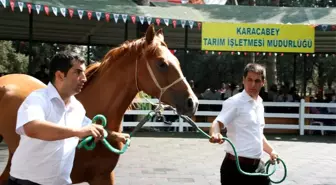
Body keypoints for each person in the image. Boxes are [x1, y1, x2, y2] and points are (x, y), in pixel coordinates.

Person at [8, 51, 130, 185]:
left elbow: (90, 128)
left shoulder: (77, 107)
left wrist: (115, 136)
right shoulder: (37, 99)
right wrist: (77, 132)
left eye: (83, 73)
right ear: (60, 75)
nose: (84, 78)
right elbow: (32, 128)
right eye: (77, 72)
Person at [209, 63, 278, 185]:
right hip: (235, 170)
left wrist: (271, 151)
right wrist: (215, 133)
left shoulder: (259, 104)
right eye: (249, 80)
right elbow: (217, 122)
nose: (252, 84)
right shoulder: (235, 102)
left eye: (257, 81)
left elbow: (256, 134)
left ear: (263, 82)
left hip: (258, 167)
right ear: (243, 80)